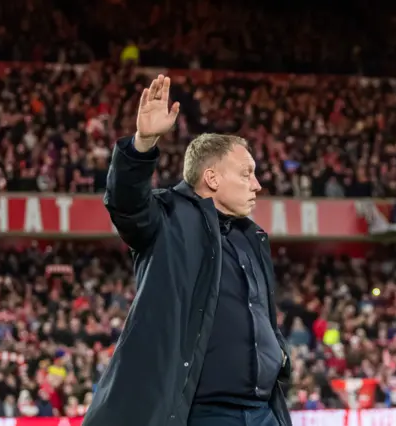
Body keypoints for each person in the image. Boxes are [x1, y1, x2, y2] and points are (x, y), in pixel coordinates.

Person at [83, 74, 292, 426]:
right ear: (212, 178)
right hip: (203, 414)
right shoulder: (169, 218)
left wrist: (279, 355)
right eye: (246, 174)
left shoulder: (252, 236)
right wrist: (143, 143)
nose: (257, 185)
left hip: (262, 411)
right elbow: (126, 204)